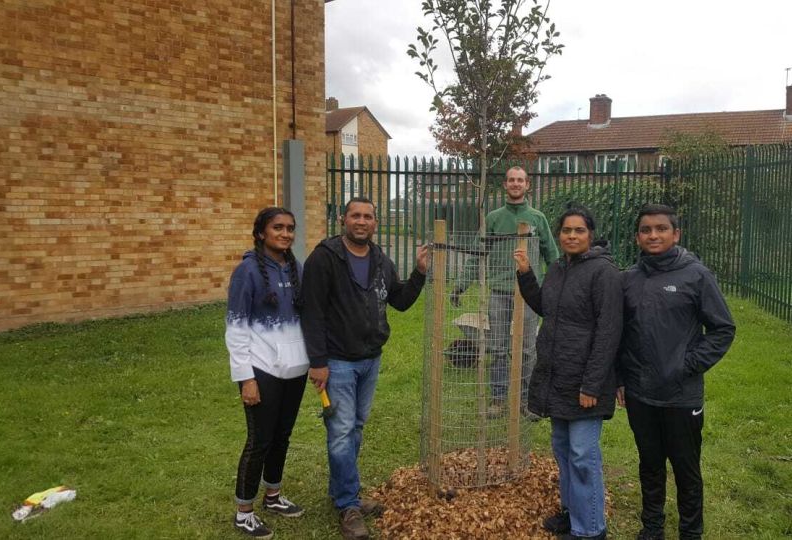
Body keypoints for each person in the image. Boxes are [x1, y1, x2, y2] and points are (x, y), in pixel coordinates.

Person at [300, 197, 429, 540]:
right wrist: (317, 362)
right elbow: (310, 312)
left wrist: (420, 271)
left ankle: (343, 493)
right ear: (343, 219)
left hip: (370, 359)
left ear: (375, 222)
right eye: (355, 215)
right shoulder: (325, 258)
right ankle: (348, 504)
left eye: (368, 216)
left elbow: (399, 301)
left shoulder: (379, 259)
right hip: (338, 361)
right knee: (341, 432)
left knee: (354, 428)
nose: (361, 221)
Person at [616, 204, 736, 540]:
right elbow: (622, 334)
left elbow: (722, 329)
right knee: (650, 464)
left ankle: (690, 531)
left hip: (681, 395)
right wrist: (622, 378)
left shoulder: (696, 275)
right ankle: (652, 527)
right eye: (646, 230)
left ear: (676, 234)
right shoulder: (630, 279)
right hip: (640, 393)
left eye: (661, 229)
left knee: (685, 467)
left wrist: (688, 365)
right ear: (637, 236)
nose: (653, 235)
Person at [514, 207, 622, 540]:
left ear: (590, 234)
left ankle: (590, 529)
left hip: (586, 381)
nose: (571, 236)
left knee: (582, 455)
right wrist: (526, 274)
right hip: (558, 377)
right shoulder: (559, 268)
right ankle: (571, 511)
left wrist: (592, 384)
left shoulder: (604, 273)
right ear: (559, 235)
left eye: (578, 230)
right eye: (566, 231)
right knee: (563, 450)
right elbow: (546, 307)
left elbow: (608, 332)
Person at [225, 207, 309, 540]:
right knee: (259, 440)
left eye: (290, 228)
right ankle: (244, 512)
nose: (286, 233)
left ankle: (272, 496)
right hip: (262, 370)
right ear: (261, 233)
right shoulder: (247, 271)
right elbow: (236, 328)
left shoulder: (296, 268)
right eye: (278, 227)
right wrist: (246, 377)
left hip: (296, 369)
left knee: (282, 437)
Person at [452, 165, 558, 418]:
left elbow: (552, 255)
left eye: (520, 180)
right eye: (511, 180)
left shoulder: (537, 218)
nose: (515, 184)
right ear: (505, 185)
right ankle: (498, 399)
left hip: (530, 295)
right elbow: (477, 255)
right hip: (499, 291)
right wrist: (460, 285)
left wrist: (556, 288)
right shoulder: (493, 219)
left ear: (527, 185)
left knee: (527, 348)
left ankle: (526, 400)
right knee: (499, 348)